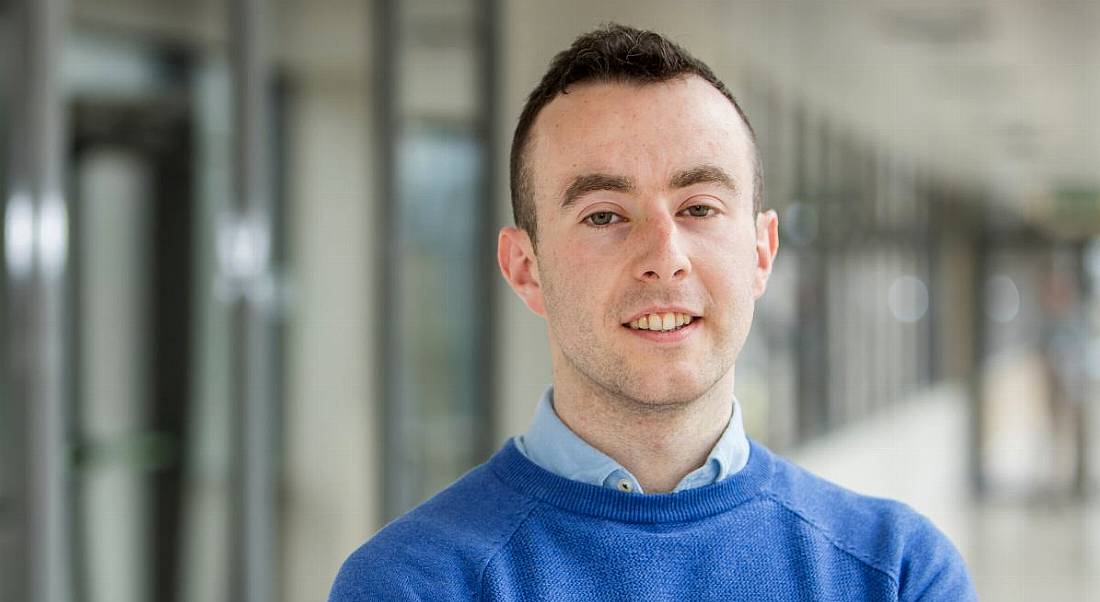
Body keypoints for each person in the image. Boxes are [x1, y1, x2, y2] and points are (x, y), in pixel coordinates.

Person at [330, 24, 977, 601]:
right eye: (605, 215)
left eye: (699, 208)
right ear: (526, 268)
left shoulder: (896, 574)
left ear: (760, 252)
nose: (664, 258)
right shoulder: (410, 583)